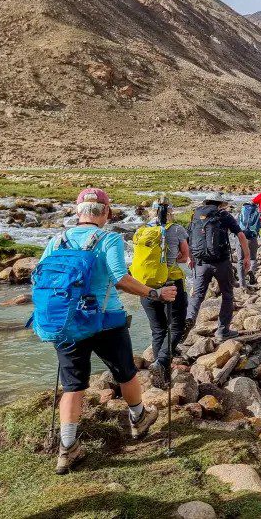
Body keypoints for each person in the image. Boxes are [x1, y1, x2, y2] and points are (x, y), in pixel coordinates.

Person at [39, 188, 177, 474]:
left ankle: (67, 448)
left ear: (78, 213)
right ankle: (138, 419)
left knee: (73, 385)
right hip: (106, 319)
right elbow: (120, 278)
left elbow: (42, 276)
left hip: (65, 321)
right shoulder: (109, 238)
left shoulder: (56, 240)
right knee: (125, 372)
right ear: (106, 213)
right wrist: (156, 294)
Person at [132, 196, 189, 390]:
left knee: (158, 330)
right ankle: (162, 362)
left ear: (151, 211)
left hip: (146, 286)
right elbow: (184, 257)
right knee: (177, 325)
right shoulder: (177, 229)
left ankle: (161, 378)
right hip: (172, 283)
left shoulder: (140, 231)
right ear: (170, 211)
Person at [185, 193, 250, 341]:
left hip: (200, 262)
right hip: (221, 262)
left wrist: (190, 257)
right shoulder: (223, 215)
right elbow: (240, 236)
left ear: (206, 202)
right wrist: (246, 256)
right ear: (220, 203)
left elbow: (189, 238)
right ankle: (222, 331)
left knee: (197, 296)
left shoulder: (196, 214)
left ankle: (187, 322)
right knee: (227, 294)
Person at [236, 199, 261, 287]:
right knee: (253, 258)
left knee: (240, 260)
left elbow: (233, 225)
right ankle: (251, 270)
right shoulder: (256, 214)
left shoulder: (240, 214)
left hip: (241, 238)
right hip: (252, 238)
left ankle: (242, 283)